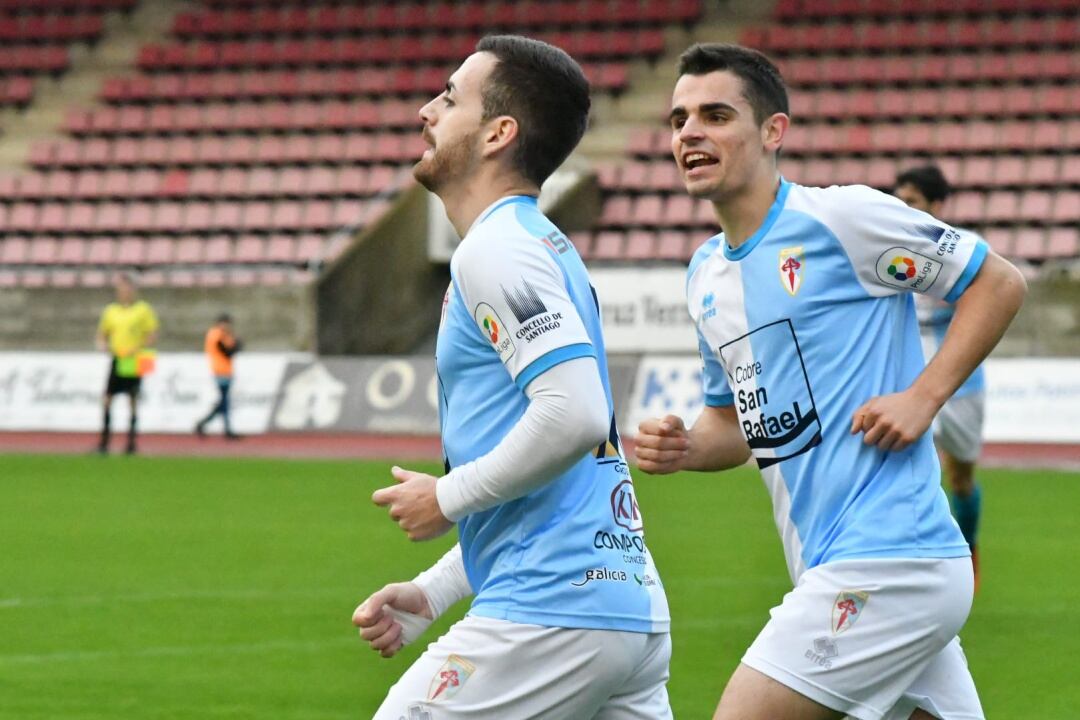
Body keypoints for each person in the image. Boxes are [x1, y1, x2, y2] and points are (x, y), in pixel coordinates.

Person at [635, 43, 1026, 720]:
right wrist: (687, 447)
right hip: (840, 563)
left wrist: (923, 396)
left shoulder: (842, 219)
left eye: (716, 114)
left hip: (890, 557)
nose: (690, 132)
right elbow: (734, 424)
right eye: (678, 120)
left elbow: (997, 281)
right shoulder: (705, 276)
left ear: (773, 131)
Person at [352, 35, 672, 719]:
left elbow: (575, 414)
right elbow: (561, 469)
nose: (425, 112)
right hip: (621, 607)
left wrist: (448, 496)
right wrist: (435, 591)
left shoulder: (496, 250)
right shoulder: (541, 247)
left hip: (551, 613)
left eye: (448, 96)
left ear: (499, 132)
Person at [894, 165, 987, 583]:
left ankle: (968, 548)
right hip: (909, 383)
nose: (903, 208)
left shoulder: (964, 251)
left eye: (911, 201)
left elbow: (987, 300)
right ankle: (919, 563)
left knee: (960, 477)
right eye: (899, 199)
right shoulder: (887, 251)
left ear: (936, 205)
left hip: (963, 385)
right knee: (907, 471)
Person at [95, 272, 159, 455]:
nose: (124, 292)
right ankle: (104, 442)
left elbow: (152, 334)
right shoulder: (111, 311)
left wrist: (138, 347)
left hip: (136, 359)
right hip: (117, 358)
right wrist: (102, 345)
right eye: (121, 288)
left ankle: (131, 443)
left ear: (133, 289)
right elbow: (102, 333)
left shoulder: (143, 310)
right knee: (107, 399)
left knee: (133, 399)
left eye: (127, 288)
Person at [195, 313, 242, 439]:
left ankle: (207, 424)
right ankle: (223, 428)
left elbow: (234, 348)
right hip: (220, 371)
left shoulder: (224, 335)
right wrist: (235, 344)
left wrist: (235, 345)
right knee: (224, 401)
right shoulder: (216, 334)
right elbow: (228, 351)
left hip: (226, 371)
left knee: (224, 401)